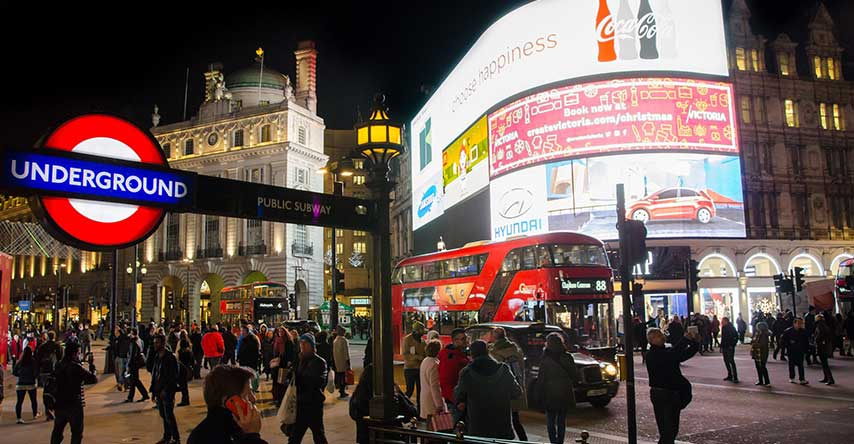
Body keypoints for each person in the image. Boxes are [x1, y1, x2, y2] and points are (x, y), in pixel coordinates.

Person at [453, 339, 521, 439]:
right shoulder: (504, 370)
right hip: (502, 428)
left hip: (478, 428)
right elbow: (517, 392)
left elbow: (459, 396)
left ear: (472, 354)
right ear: (487, 351)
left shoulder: (467, 373)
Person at [187, 365, 268, 444]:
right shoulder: (212, 438)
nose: (253, 399)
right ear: (229, 402)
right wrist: (252, 436)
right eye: (247, 394)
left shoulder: (198, 434)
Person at [646, 327, 700, 444]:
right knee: (667, 431)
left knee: (672, 430)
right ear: (651, 340)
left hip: (672, 394)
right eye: (658, 336)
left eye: (661, 335)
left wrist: (694, 343)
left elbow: (682, 355)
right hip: (662, 394)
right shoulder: (652, 354)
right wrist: (685, 340)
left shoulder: (666, 351)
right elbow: (672, 355)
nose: (662, 337)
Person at [50, 342, 98, 444]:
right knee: (76, 432)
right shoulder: (76, 367)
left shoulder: (59, 365)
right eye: (78, 353)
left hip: (59, 403)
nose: (79, 355)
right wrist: (92, 366)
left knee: (57, 431)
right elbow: (92, 379)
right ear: (74, 354)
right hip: (73, 405)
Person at [288, 333, 329, 444]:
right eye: (301, 344)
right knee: (294, 437)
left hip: (313, 405)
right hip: (300, 404)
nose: (303, 347)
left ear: (312, 346)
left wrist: (300, 365)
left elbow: (315, 381)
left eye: (305, 344)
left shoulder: (319, 362)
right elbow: (293, 378)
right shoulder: (300, 360)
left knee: (318, 435)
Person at [489, 327, 528, 441]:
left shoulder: (494, 353)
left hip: (501, 392)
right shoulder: (516, 350)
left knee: (502, 422)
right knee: (516, 420)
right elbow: (521, 369)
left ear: (495, 337)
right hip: (516, 387)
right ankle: (524, 440)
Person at [150, 333, 181, 444]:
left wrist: (166, 389)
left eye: (157, 343)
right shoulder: (157, 357)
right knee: (163, 414)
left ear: (163, 343)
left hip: (167, 391)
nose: (155, 345)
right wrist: (153, 391)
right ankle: (167, 436)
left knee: (169, 415)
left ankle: (176, 438)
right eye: (154, 343)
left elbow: (173, 376)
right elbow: (155, 374)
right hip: (159, 390)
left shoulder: (170, 358)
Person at [438, 328, 470, 425]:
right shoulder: (451, 358)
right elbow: (447, 381)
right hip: (457, 401)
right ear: (455, 341)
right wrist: (458, 400)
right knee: (455, 427)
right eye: (463, 339)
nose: (466, 341)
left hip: (459, 398)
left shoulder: (457, 355)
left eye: (466, 338)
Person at [36, 330, 63, 419]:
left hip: (44, 371)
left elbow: (38, 358)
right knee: (54, 391)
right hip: (54, 371)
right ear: (54, 337)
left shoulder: (42, 346)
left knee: (46, 390)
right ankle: (52, 408)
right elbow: (60, 359)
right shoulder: (57, 346)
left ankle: (48, 409)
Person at [419, 340, 445, 429]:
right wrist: (439, 404)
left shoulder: (425, 361)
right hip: (432, 400)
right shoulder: (435, 364)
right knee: (436, 427)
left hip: (425, 397)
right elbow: (435, 386)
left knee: (428, 426)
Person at [13, 346, 40, 424]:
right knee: (33, 400)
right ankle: (35, 414)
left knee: (19, 402)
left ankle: (19, 418)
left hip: (20, 383)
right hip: (31, 383)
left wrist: (21, 375)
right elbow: (36, 373)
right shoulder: (33, 361)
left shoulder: (20, 362)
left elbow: (14, 372)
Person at [402, 322, 425, 407]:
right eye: (422, 330)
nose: (423, 332)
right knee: (409, 390)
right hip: (410, 369)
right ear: (416, 331)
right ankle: (404, 407)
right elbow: (405, 354)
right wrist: (418, 357)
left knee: (420, 391)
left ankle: (420, 410)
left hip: (420, 369)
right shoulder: (407, 339)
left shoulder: (422, 341)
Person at [271, 328, 296, 406]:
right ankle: (278, 398)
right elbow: (275, 352)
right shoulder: (277, 340)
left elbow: (291, 353)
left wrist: (289, 361)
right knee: (277, 382)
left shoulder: (288, 342)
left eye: (282, 331)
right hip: (278, 364)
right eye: (279, 332)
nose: (280, 333)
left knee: (282, 382)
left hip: (284, 364)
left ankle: (281, 400)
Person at [781, 317, 809, 384]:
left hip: (800, 350)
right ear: (794, 323)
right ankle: (792, 377)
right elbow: (783, 341)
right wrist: (788, 345)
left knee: (801, 365)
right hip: (791, 351)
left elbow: (806, 341)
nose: (800, 325)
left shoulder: (803, 331)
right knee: (791, 365)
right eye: (798, 323)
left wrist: (806, 350)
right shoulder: (788, 331)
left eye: (801, 323)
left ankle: (802, 379)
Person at [125, 328, 150, 403]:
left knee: (135, 380)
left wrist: (129, 365)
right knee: (134, 380)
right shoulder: (140, 340)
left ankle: (144, 394)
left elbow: (132, 354)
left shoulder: (133, 342)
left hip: (133, 363)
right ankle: (131, 397)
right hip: (137, 363)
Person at [237, 326, 261, 392]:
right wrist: (238, 357)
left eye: (243, 331)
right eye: (241, 331)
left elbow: (255, 353)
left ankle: (253, 390)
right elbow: (240, 349)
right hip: (244, 362)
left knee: (252, 377)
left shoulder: (253, 339)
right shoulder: (243, 339)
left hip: (250, 363)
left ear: (247, 331)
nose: (241, 332)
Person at [814, 314, 835, 385]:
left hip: (822, 346)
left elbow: (820, 335)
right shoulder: (824, 324)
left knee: (825, 363)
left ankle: (830, 378)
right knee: (824, 363)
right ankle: (826, 377)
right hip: (825, 346)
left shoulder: (820, 325)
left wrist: (816, 339)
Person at [332, 325, 351, 399]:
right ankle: (342, 391)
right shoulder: (344, 340)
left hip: (337, 360)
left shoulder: (335, 340)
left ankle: (340, 389)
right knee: (344, 377)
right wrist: (348, 362)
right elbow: (346, 353)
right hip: (343, 361)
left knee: (339, 376)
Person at [751, 322, 771, 386]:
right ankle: (761, 380)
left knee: (762, 367)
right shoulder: (758, 333)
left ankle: (767, 381)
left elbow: (762, 344)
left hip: (762, 352)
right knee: (758, 367)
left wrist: (755, 344)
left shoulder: (763, 334)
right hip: (757, 352)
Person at [111, 327, 130, 392]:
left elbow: (116, 348)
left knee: (121, 372)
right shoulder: (126, 338)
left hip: (121, 356)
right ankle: (125, 385)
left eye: (115, 332)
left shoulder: (119, 339)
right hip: (126, 356)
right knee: (125, 372)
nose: (115, 334)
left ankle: (120, 383)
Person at [720, 317, 739, 382]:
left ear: (726, 321)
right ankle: (730, 375)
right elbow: (723, 338)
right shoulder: (723, 327)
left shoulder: (730, 328)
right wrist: (721, 346)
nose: (721, 322)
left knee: (731, 361)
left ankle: (735, 376)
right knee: (726, 361)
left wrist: (732, 344)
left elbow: (735, 336)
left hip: (729, 347)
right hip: (725, 346)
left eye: (723, 321)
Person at [178, 339, 195, 405]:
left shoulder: (180, 352)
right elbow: (192, 361)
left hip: (182, 369)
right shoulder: (189, 351)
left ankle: (185, 400)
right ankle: (186, 399)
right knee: (185, 386)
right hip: (188, 369)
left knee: (183, 386)